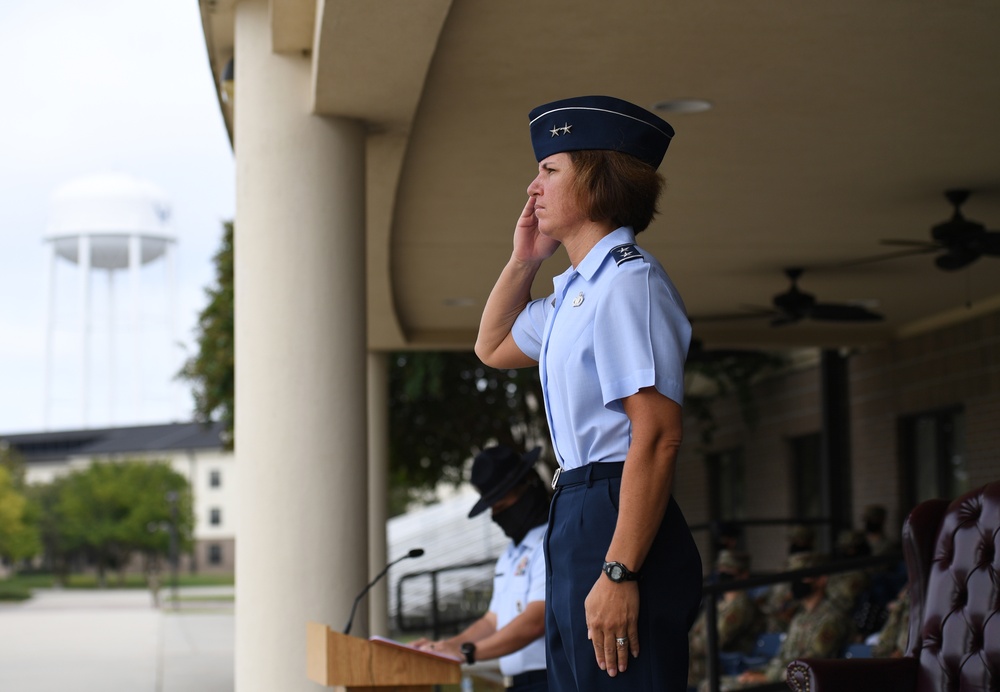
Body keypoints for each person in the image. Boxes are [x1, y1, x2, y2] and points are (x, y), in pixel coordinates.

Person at [475, 95, 702, 691]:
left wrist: (621, 571)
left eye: (551, 170)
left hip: (613, 505)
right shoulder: (576, 292)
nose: (533, 187)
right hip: (576, 507)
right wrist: (524, 260)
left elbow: (656, 435)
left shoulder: (629, 281)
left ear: (598, 182)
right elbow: (493, 346)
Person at [412, 446, 550, 691]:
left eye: (502, 505)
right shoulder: (510, 555)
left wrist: (468, 652)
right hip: (518, 684)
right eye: (493, 509)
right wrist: (445, 648)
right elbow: (491, 620)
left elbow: (536, 620)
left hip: (548, 679)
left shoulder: (551, 542)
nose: (497, 516)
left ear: (528, 488)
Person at [710, 552, 854, 691]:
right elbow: (783, 656)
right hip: (778, 679)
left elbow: (808, 667)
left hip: (797, 685)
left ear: (822, 580)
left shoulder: (831, 618)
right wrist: (757, 673)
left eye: (803, 576)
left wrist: (765, 677)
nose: (796, 582)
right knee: (711, 685)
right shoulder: (800, 616)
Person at [688, 551, 764, 688]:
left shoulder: (742, 605)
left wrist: (687, 643)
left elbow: (714, 641)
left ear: (743, 574)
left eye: (729, 569)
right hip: (700, 660)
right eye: (721, 569)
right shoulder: (719, 603)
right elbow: (696, 631)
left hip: (719, 664)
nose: (723, 573)